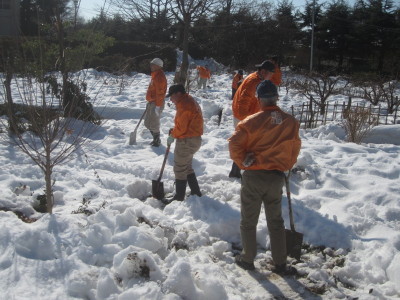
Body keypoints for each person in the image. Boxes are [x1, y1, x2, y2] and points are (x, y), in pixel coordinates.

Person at [228, 80, 301, 275]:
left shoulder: (249, 122)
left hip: (253, 176)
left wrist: (243, 162)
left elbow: (234, 144)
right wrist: (286, 166)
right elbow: (294, 149)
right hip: (276, 177)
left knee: (248, 220)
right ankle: (280, 263)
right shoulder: (290, 122)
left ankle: (248, 258)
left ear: (258, 99)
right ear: (276, 97)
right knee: (275, 221)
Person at [229, 60, 275, 178]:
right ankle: (239, 171)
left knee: (245, 144)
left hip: (245, 116)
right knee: (245, 144)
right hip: (243, 117)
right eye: (271, 73)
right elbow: (243, 103)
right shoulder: (253, 82)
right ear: (264, 72)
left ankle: (236, 170)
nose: (272, 76)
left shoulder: (257, 79)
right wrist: (247, 122)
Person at [165, 84, 204, 201]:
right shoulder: (188, 100)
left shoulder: (184, 105)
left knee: (180, 168)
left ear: (178, 94)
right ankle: (195, 192)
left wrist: (173, 135)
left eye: (171, 96)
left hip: (187, 140)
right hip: (193, 139)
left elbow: (182, 128)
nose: (170, 99)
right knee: (186, 166)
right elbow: (184, 124)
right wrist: (174, 130)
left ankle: (179, 197)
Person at [144, 57, 167, 147]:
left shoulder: (160, 77)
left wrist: (158, 106)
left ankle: (157, 141)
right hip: (152, 102)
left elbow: (160, 93)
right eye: (151, 64)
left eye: (153, 64)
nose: (151, 66)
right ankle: (155, 138)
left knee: (153, 123)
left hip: (157, 103)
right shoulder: (155, 75)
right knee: (147, 123)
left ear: (158, 66)